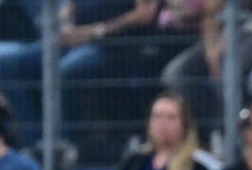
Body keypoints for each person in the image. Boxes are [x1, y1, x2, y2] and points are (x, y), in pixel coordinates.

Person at [0, 0, 200, 147]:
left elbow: (145, 14)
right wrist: (64, 23)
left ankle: (68, 146)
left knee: (65, 71)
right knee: (8, 66)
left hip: (115, 43)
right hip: (75, 39)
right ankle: (34, 145)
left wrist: (96, 31)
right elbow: (70, 8)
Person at [161, 0, 252, 137]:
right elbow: (212, 11)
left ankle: (232, 139)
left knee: (230, 68)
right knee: (176, 74)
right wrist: (213, 49)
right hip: (236, 31)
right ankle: (210, 134)